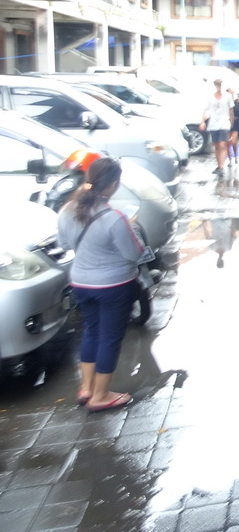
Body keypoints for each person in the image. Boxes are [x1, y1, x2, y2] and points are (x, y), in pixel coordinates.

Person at [57, 157, 147, 412]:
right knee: (109, 338)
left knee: (92, 332)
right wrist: (134, 228)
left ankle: (87, 388)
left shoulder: (67, 210)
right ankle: (101, 395)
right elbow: (134, 253)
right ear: (114, 185)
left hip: (81, 283)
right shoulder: (115, 218)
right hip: (114, 287)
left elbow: (64, 245)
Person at [200, 78, 233, 177]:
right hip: (213, 124)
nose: (219, 87)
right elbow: (205, 110)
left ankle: (222, 166)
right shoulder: (210, 97)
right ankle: (219, 165)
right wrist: (202, 122)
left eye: (220, 85)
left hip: (224, 123)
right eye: (217, 85)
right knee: (217, 145)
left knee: (223, 144)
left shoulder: (227, 97)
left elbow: (231, 111)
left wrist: (231, 123)